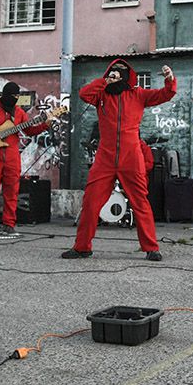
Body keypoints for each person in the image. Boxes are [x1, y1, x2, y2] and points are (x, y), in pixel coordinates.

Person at [63, 59, 176, 261]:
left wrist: (170, 80)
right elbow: (84, 93)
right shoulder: (101, 95)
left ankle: (151, 248)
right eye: (113, 71)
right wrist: (105, 81)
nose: (117, 74)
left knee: (140, 201)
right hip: (105, 156)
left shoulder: (138, 94)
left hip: (131, 155)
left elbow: (165, 95)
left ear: (128, 76)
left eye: (120, 73)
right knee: (90, 201)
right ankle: (82, 247)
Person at [0, 82, 51, 236]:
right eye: (13, 96)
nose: (15, 99)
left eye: (17, 96)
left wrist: (45, 125)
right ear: (5, 95)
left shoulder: (20, 113)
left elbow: (29, 131)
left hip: (12, 156)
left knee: (12, 191)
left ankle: (9, 224)